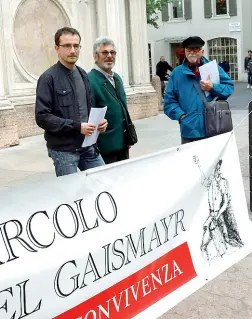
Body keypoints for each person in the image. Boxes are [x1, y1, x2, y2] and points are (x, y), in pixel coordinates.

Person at [35, 27, 107, 177]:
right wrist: (77, 126)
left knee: (103, 182)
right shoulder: (48, 78)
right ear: (57, 48)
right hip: (64, 150)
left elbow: (87, 108)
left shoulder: (83, 74)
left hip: (88, 146)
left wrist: (99, 122)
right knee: (71, 194)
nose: (73, 50)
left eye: (76, 46)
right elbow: (42, 117)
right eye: (67, 46)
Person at [164, 36, 234, 144]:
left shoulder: (213, 68)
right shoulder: (177, 73)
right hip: (190, 131)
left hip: (213, 127)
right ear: (185, 52)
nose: (192, 53)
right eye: (188, 50)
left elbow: (229, 88)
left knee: (213, 160)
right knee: (191, 160)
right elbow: (169, 102)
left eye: (195, 49)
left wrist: (213, 87)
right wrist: (181, 116)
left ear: (202, 51)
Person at [88, 37, 131, 164]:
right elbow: (89, 115)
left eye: (112, 53)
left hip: (122, 143)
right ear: (95, 56)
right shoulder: (90, 80)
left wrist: (128, 137)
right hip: (105, 147)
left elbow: (123, 109)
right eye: (105, 53)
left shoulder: (116, 78)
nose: (109, 56)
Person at [193, 156, 243, 261]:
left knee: (216, 241)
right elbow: (204, 181)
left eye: (220, 168)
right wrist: (198, 165)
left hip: (217, 215)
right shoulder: (211, 181)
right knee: (206, 243)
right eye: (218, 168)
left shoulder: (223, 182)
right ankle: (209, 259)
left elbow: (225, 202)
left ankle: (216, 258)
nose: (219, 171)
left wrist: (219, 214)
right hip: (212, 215)